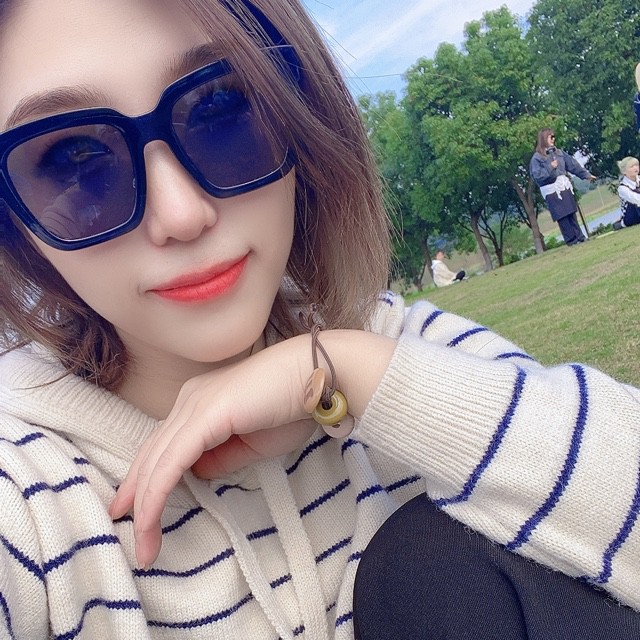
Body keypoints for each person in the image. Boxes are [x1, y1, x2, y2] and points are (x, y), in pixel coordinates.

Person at [1, 1, 640, 639]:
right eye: (73, 158)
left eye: (221, 107)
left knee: (437, 565)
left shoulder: (386, 342)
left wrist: (354, 377)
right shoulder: (25, 492)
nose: (182, 215)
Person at [529, 128, 596, 246]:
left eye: (554, 137)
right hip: (551, 190)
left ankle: (580, 237)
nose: (553, 139)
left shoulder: (559, 152)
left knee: (571, 212)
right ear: (544, 139)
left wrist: (586, 175)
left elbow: (572, 164)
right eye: (551, 137)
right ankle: (571, 240)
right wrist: (550, 167)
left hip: (564, 185)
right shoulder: (537, 158)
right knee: (562, 216)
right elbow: (537, 176)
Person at [613, 156, 640, 230]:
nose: (635, 168)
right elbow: (636, 200)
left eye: (636, 165)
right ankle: (620, 224)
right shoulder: (622, 188)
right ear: (624, 171)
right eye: (632, 166)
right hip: (630, 215)